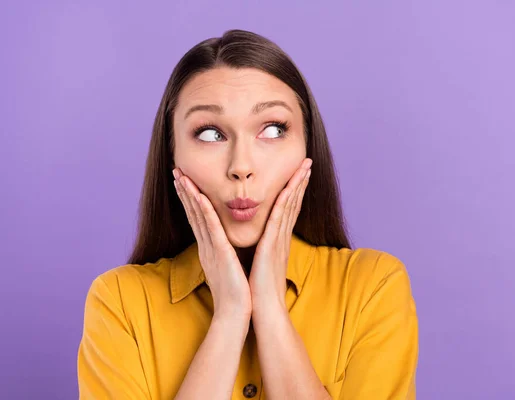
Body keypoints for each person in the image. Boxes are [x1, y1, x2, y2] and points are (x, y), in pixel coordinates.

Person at [77, 29, 418, 400]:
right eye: (210, 134)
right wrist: (230, 315)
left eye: (273, 129)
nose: (241, 166)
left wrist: (270, 308)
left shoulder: (373, 286)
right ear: (172, 156)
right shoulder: (120, 302)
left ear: (308, 146)